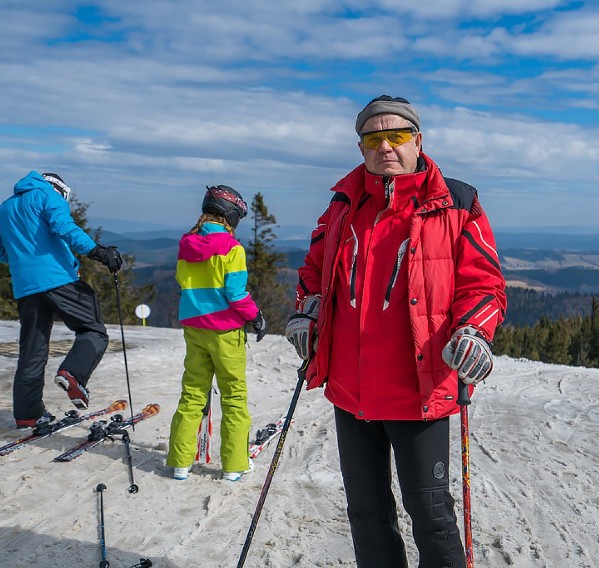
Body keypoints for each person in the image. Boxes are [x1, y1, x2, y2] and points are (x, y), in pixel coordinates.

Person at [285, 96, 507, 567]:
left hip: (419, 390)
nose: (386, 146)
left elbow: (484, 282)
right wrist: (306, 312)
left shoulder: (457, 201)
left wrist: (475, 331)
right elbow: (313, 271)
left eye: (398, 135)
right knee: (366, 515)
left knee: (432, 516)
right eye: (373, 138)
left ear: (418, 141)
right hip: (351, 387)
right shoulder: (343, 204)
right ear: (362, 146)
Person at [0, 171, 123, 428]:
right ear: (61, 189)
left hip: (25, 287)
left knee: (32, 350)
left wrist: (22, 261)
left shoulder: (5, 207)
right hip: (58, 279)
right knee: (93, 330)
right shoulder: (48, 196)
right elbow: (64, 228)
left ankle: (28, 414)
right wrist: (99, 252)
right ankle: (73, 374)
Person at [167, 185, 267, 482]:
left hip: (194, 329)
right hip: (225, 333)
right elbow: (236, 295)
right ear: (232, 214)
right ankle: (234, 465)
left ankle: (180, 463)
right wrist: (256, 317)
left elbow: (181, 281)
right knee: (234, 397)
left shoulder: (186, 243)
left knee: (192, 394)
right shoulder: (232, 249)